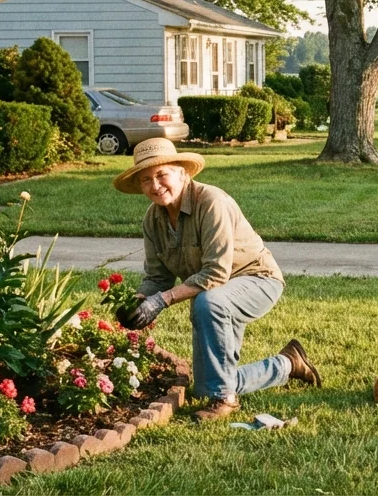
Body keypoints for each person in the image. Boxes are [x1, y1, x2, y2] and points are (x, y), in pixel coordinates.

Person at [113, 138, 321, 420]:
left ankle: (225, 399)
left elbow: (215, 273)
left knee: (208, 302)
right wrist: (137, 302)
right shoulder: (152, 220)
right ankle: (287, 364)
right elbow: (157, 277)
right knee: (203, 387)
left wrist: (161, 301)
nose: (155, 184)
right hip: (214, 295)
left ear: (182, 174)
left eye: (162, 174)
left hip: (257, 280)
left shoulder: (211, 201)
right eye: (146, 179)